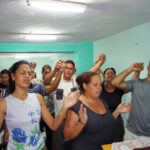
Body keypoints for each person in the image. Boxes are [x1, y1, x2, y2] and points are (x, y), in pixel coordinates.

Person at [0, 60, 80, 150]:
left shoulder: (37, 98)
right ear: (13, 76)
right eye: (23, 73)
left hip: (40, 147)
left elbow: (54, 125)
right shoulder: (4, 103)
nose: (27, 76)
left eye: (29, 73)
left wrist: (64, 107)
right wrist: (6, 131)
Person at [63, 72, 131, 150]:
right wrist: (81, 123)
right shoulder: (77, 106)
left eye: (100, 84)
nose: (99, 88)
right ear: (85, 86)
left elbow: (106, 121)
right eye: (95, 85)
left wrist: (117, 111)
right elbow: (67, 136)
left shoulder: (102, 101)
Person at [90, 54, 140, 142]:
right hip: (102, 121)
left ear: (115, 77)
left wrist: (137, 72)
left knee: (117, 143)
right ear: (104, 76)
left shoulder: (119, 89)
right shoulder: (99, 87)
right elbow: (91, 76)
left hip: (116, 122)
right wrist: (97, 63)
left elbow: (132, 83)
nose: (110, 75)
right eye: (107, 73)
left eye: (112, 73)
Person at [111, 62, 150, 141]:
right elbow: (115, 82)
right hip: (132, 134)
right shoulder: (137, 83)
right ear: (149, 68)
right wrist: (130, 69)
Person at [48, 60, 78, 150]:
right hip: (59, 120)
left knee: (72, 145)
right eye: (66, 68)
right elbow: (46, 82)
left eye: (70, 69)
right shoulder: (56, 81)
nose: (68, 70)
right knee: (58, 145)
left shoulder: (76, 82)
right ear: (63, 69)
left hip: (72, 121)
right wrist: (55, 70)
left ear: (74, 71)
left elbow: (90, 73)